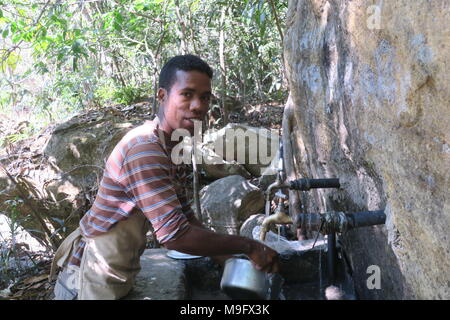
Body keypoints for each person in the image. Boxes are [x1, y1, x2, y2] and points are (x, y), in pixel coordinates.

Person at [50, 54, 279, 300]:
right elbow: (175, 236)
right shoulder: (144, 148)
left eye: (204, 97)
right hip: (88, 276)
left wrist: (228, 261)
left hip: (117, 272)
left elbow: (186, 217)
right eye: (187, 94)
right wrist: (249, 246)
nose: (198, 106)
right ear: (162, 96)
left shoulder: (174, 146)